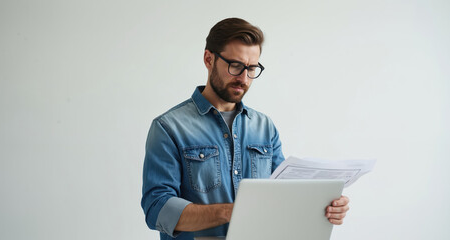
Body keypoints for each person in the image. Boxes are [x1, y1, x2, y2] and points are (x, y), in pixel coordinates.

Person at [141, 17, 350, 240]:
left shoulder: (265, 127)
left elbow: (285, 196)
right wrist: (232, 211)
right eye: (236, 66)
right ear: (208, 59)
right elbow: (157, 210)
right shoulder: (168, 127)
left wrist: (327, 206)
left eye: (252, 68)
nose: (244, 78)